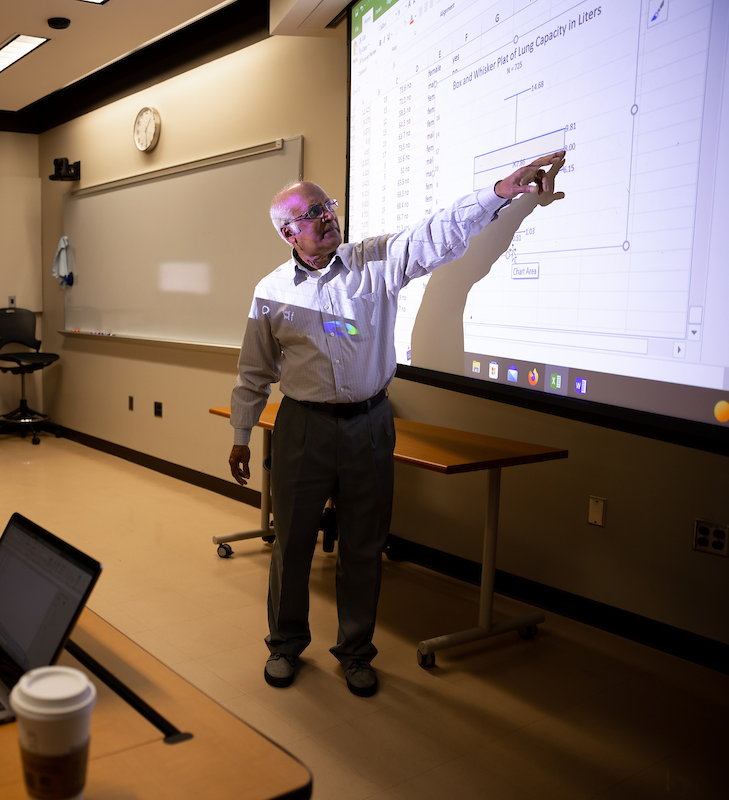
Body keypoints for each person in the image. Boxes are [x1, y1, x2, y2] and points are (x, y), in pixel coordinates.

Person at [229, 151, 567, 697]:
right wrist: (242, 435)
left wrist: (501, 192)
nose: (328, 216)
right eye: (314, 212)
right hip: (302, 428)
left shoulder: (375, 261)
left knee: (364, 544)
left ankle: (356, 652)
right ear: (289, 232)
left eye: (329, 205)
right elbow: (253, 372)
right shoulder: (270, 292)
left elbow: (437, 233)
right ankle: (285, 645)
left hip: (368, 424)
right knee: (292, 544)